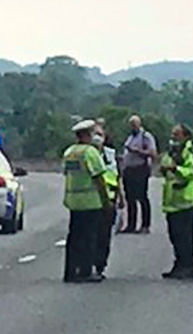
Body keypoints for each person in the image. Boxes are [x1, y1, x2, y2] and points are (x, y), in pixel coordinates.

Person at [62, 119, 112, 283]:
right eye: (91, 133)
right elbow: (99, 178)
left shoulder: (69, 152)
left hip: (73, 201)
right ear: (85, 135)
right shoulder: (90, 153)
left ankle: (70, 271)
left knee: (74, 237)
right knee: (89, 238)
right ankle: (85, 271)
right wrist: (106, 201)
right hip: (90, 201)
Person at [159, 124, 193, 279]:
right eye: (172, 134)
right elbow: (164, 165)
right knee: (174, 235)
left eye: (176, 134)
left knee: (185, 236)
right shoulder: (171, 152)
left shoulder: (192, 153)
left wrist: (175, 169)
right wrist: (165, 169)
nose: (173, 137)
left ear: (186, 136)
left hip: (187, 200)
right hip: (172, 202)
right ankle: (179, 264)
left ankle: (187, 265)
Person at [121, 114, 158, 233]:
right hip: (129, 170)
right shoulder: (130, 137)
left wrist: (137, 151)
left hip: (140, 169)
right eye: (131, 125)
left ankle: (145, 225)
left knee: (142, 197)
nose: (132, 127)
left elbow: (152, 153)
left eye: (134, 124)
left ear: (139, 124)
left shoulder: (145, 136)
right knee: (130, 198)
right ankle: (131, 225)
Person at [92, 125, 120, 277]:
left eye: (100, 134)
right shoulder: (88, 153)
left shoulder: (110, 154)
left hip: (109, 200)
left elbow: (116, 175)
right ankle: (88, 265)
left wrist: (121, 198)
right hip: (91, 200)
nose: (97, 138)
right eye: (95, 134)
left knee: (104, 235)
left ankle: (100, 266)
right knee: (91, 235)